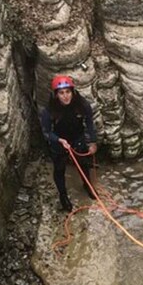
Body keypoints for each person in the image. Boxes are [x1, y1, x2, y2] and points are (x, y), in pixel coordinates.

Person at [39, 75, 98, 212]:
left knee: (83, 163)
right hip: (58, 141)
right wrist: (58, 140)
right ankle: (63, 196)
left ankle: (87, 185)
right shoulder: (49, 111)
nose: (65, 96)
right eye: (61, 93)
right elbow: (46, 132)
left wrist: (92, 142)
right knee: (59, 169)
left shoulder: (81, 104)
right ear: (56, 95)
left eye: (68, 92)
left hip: (77, 137)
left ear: (72, 92)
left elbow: (89, 123)